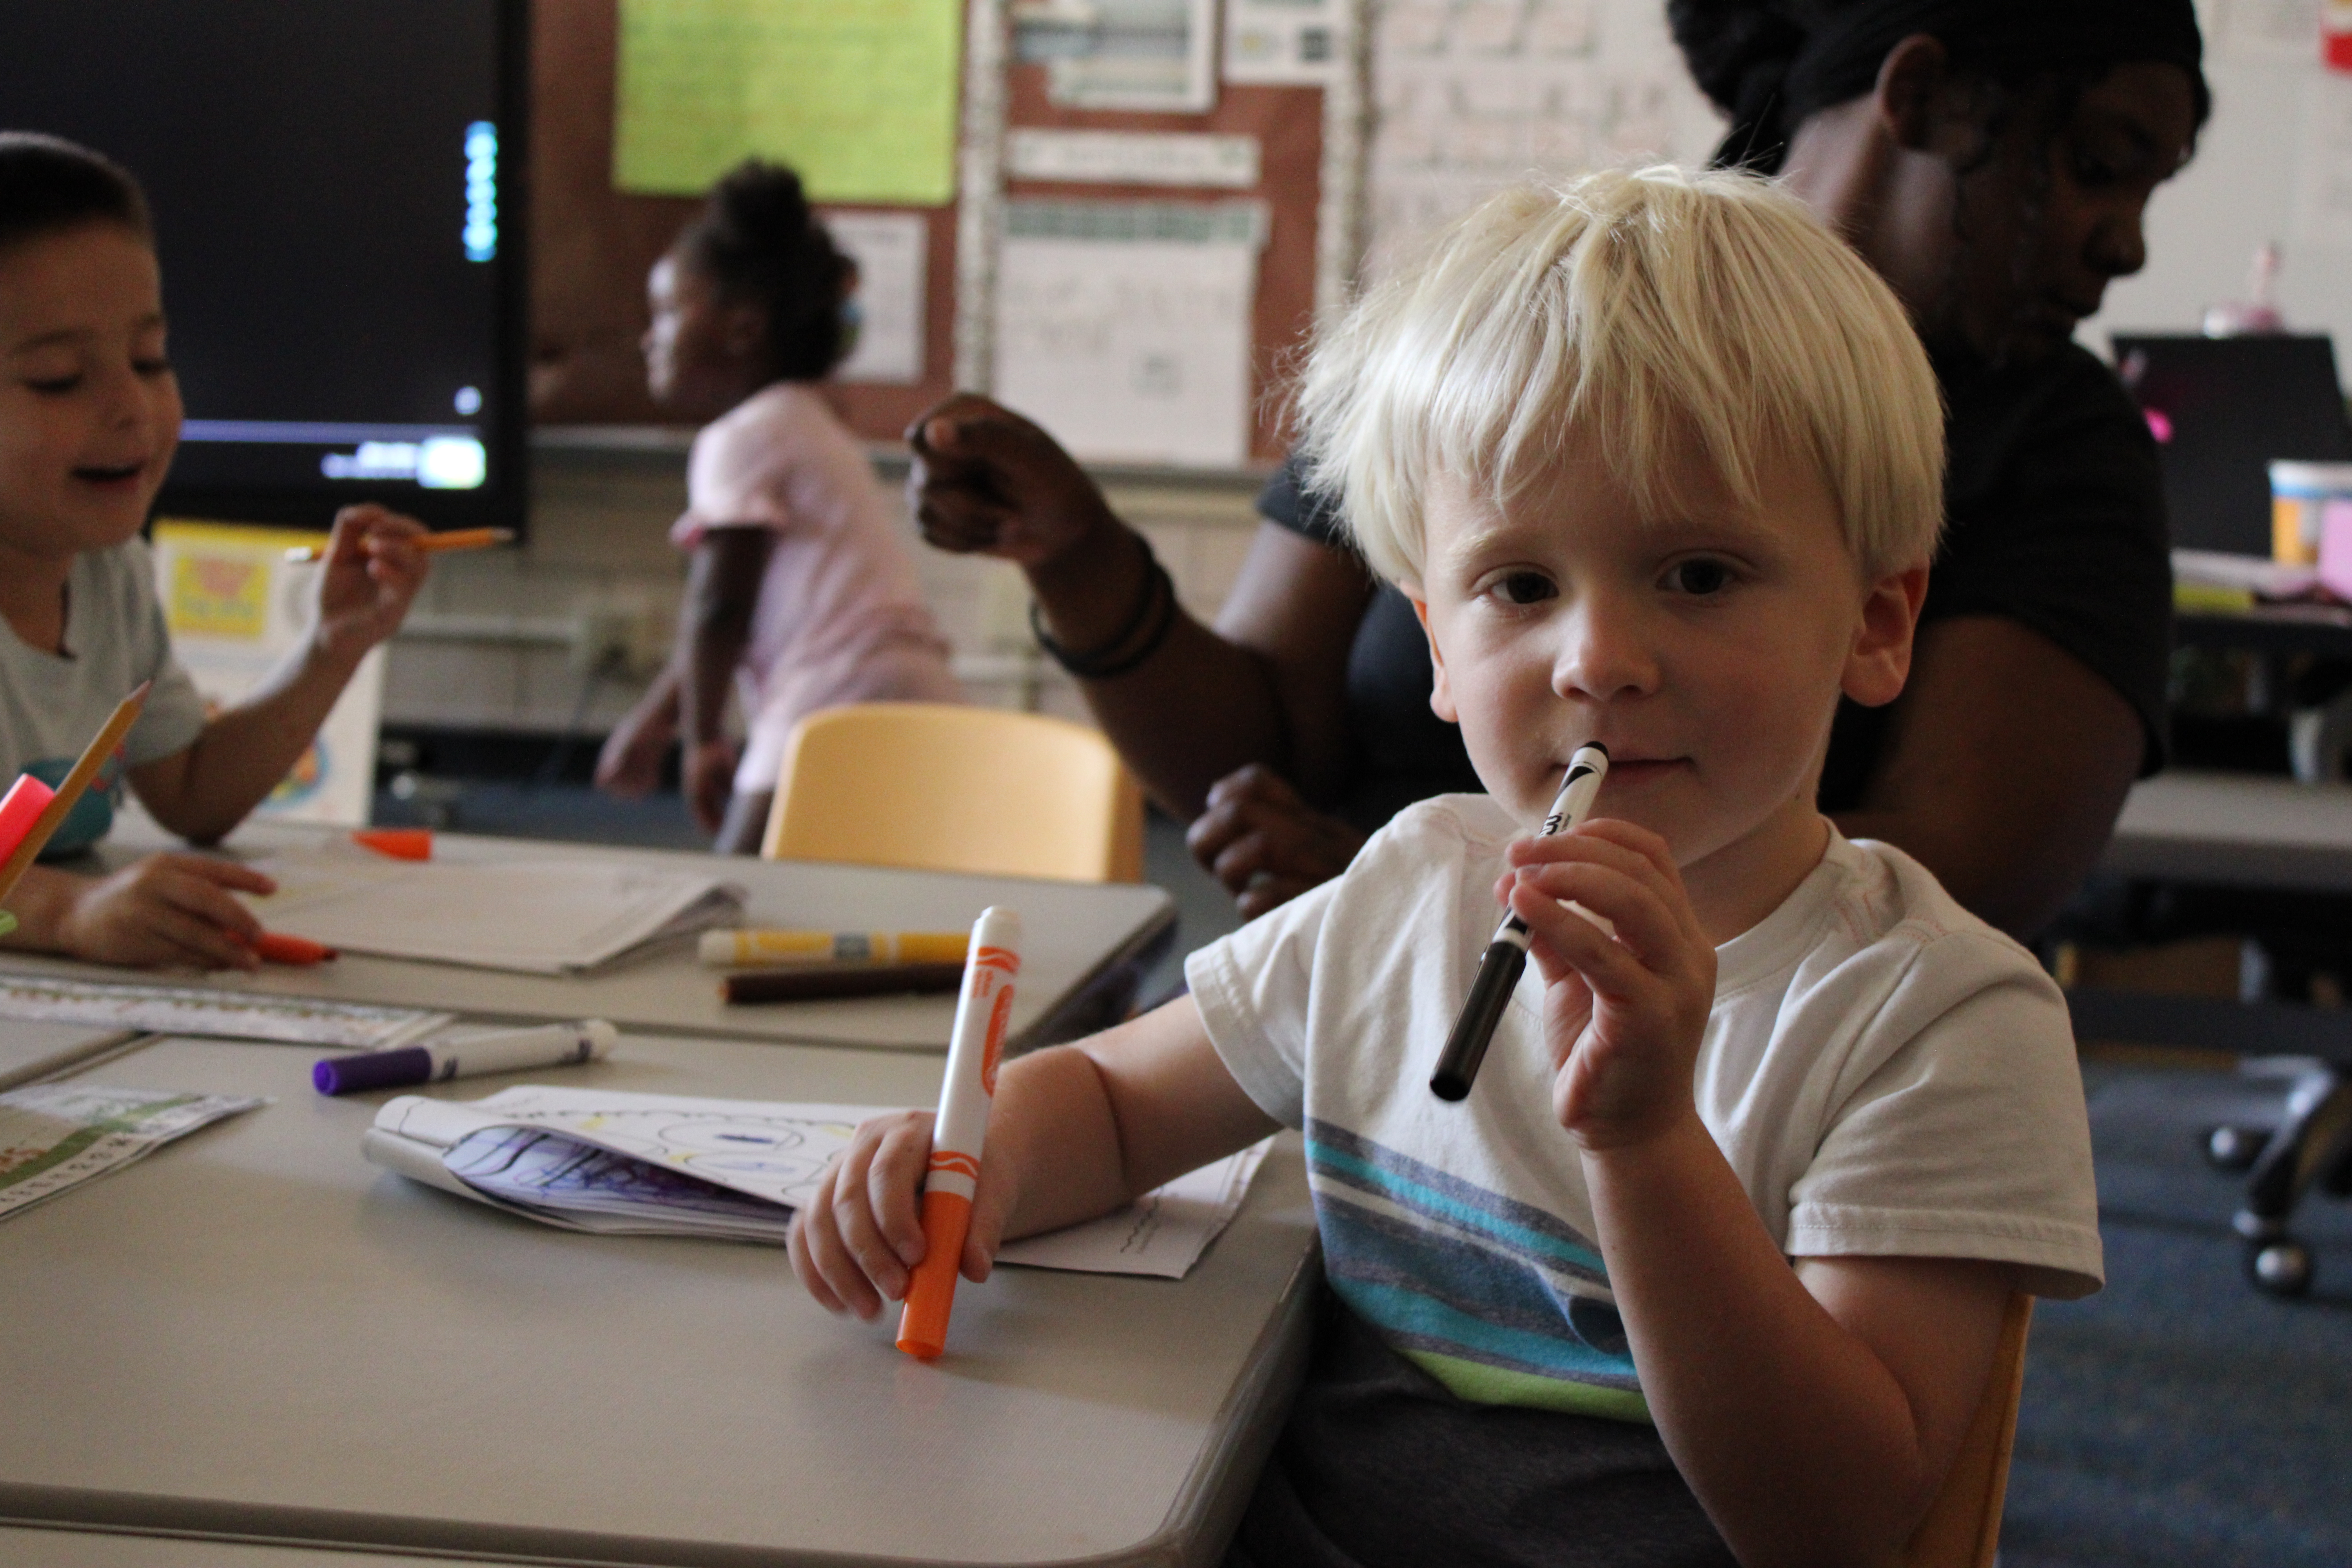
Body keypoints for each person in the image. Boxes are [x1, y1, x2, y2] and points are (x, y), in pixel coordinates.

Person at [796, 168, 2103, 1568]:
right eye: (1522, 588)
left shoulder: (1938, 1021)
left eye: (1703, 575)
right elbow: (1121, 1106)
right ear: (1437, 642)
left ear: (1878, 622)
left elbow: (1834, 1521)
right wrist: (968, 1159)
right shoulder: (1412, 887)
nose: (1597, 659)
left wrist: (1651, 1147)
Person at [909, 0, 2206, 939]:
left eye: (1701, 573)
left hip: (1747, 1095)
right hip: (1360, 1031)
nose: (2130, 244)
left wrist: (1426, 888)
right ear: (1919, 96)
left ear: (1882, 613)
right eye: (2097, 166)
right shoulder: (1524, 326)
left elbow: (1961, 880)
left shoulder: (2056, 449)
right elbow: (1255, 762)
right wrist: (1077, 562)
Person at [0, 132, 428, 971]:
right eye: (59, 376)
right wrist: (70, 910)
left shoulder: (107, 567)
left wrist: (330, 647)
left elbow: (193, 792)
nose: (132, 406)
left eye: (149, 359)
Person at [595, 162, 960, 853]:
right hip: (905, 677)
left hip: (833, 689)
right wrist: (658, 718)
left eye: (670, 312)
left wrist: (703, 741)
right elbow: (730, 618)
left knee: (744, 889)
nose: (652, 336)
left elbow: (718, 607)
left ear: (741, 329)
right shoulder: (804, 420)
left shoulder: (740, 437)